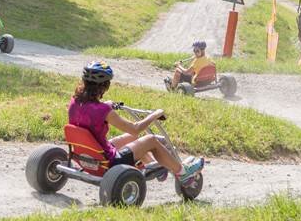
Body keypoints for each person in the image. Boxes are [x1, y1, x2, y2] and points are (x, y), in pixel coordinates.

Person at [69, 61, 204, 183]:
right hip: (109, 163)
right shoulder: (104, 111)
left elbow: (90, 112)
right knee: (151, 140)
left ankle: (154, 166)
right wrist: (154, 114)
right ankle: (183, 173)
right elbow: (135, 128)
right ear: (105, 86)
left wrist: (106, 104)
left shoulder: (75, 102)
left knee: (132, 138)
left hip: (87, 156)